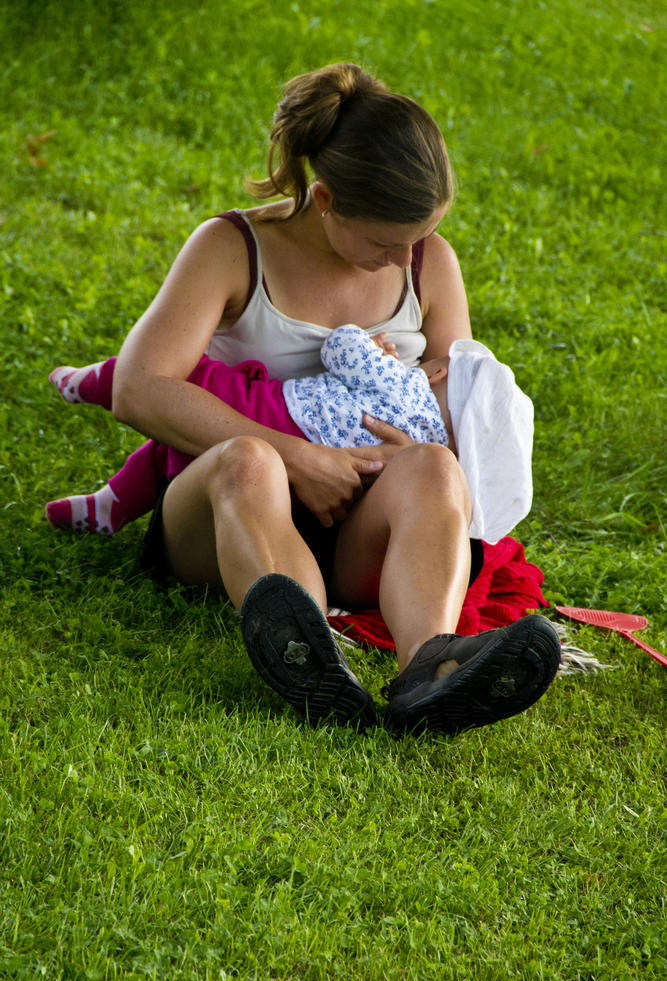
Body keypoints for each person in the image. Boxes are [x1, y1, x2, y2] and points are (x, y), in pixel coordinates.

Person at [49, 62, 560, 734]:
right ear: (324, 201)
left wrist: (430, 444)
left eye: (417, 239)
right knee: (248, 461)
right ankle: (308, 651)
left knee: (434, 470)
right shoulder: (232, 248)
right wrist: (296, 456)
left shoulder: (430, 262)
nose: (406, 260)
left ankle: (428, 669)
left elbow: (463, 400)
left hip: (358, 527)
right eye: (385, 242)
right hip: (226, 517)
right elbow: (138, 386)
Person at [46, 328, 534, 549]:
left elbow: (340, 348)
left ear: (440, 370)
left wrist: (372, 347)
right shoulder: (421, 453)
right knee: (169, 451)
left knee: (189, 382)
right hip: (307, 507)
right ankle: (108, 505)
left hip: (271, 415)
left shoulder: (407, 383)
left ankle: (91, 381)